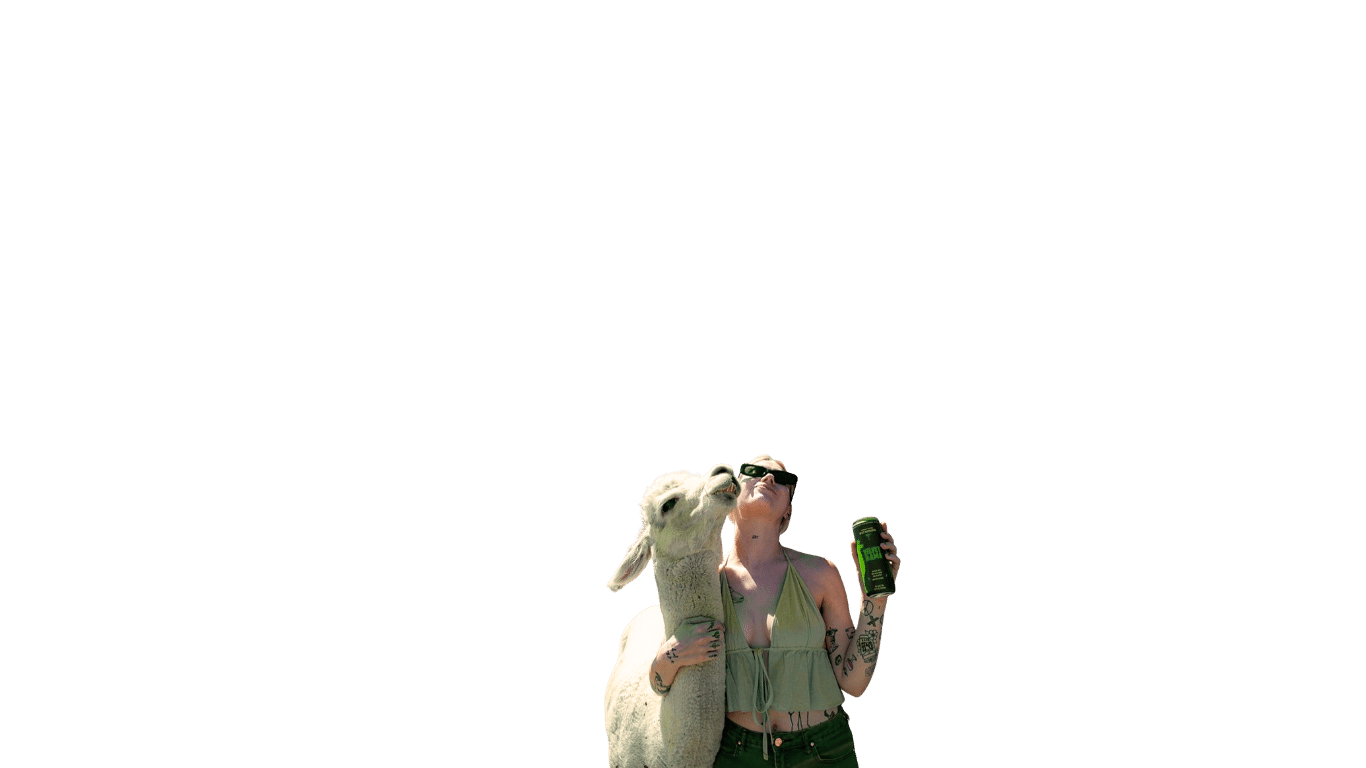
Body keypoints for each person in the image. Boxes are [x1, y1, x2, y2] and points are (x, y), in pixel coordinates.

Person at [648, 455, 901, 767]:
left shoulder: (821, 574)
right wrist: (671, 653)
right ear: (730, 496)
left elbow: (854, 683)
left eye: (782, 479)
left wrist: (874, 599)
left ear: (788, 512)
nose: (768, 479)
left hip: (822, 752)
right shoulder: (706, 585)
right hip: (737, 753)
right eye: (754, 472)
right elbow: (659, 683)